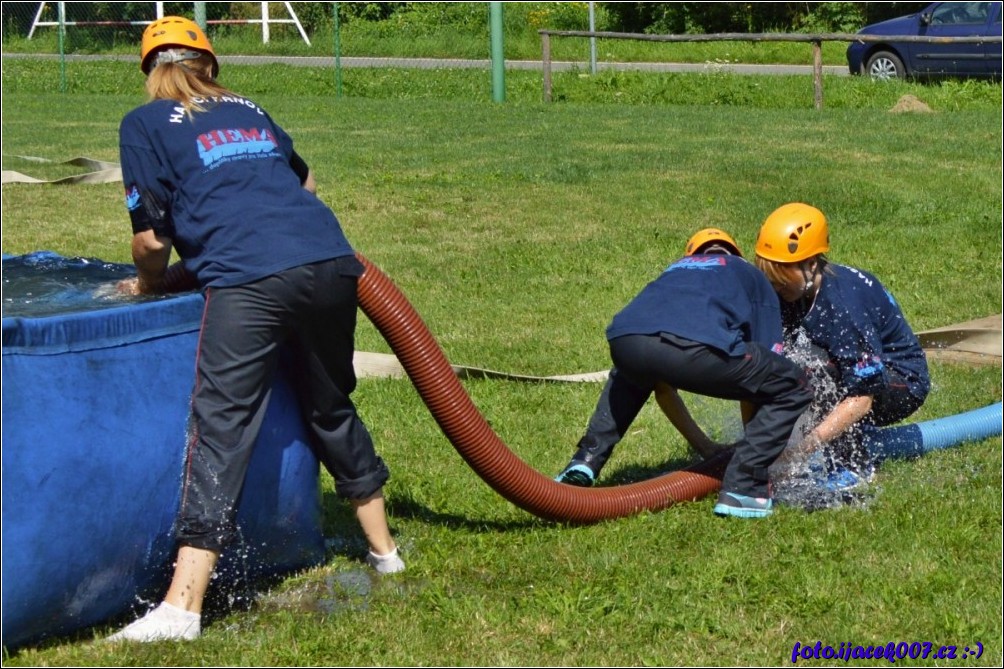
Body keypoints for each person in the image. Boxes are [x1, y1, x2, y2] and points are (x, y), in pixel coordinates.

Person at [107, 17, 403, 643]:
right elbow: (307, 182)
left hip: (249, 279)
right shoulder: (249, 106)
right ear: (209, 64)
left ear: (148, 71)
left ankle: (182, 609)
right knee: (329, 403)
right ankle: (385, 554)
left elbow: (149, 237)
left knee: (221, 425)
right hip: (330, 261)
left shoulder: (143, 124)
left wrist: (151, 282)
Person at [555, 228, 813, 519]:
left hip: (626, 340)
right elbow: (766, 371)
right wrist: (758, 449)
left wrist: (706, 446)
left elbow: (661, 382)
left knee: (632, 371)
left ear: (693, 255)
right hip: (694, 350)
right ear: (735, 253)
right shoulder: (746, 273)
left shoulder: (676, 270)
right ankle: (744, 488)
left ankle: (586, 459)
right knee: (792, 385)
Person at [753, 202, 930, 484]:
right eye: (769, 279)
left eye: (781, 279)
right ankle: (837, 442)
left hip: (902, 381)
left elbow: (861, 398)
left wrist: (798, 452)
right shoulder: (794, 289)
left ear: (811, 264)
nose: (775, 287)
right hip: (847, 369)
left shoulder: (844, 308)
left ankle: (853, 466)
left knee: (820, 369)